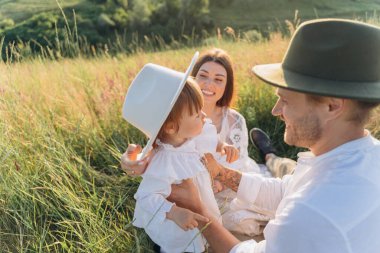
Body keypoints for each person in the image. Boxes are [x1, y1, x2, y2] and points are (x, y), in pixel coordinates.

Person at [166, 18, 380, 253]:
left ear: (332, 106)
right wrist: (224, 174)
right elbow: (287, 190)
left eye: (285, 100)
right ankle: (270, 155)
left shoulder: (310, 215)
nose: (275, 110)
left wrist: (199, 211)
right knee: (284, 168)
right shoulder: (364, 155)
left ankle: (270, 156)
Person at [122, 48, 297, 238]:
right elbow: (155, 159)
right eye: (203, 76)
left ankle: (270, 154)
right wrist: (132, 161)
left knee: (283, 189)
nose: (208, 84)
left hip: (227, 180)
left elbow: (236, 160)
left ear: (226, 86)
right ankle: (270, 156)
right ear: (193, 78)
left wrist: (220, 167)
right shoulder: (170, 121)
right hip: (202, 193)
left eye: (218, 79)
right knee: (243, 221)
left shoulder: (233, 120)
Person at [123, 58, 240, 252]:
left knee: (203, 237)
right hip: (179, 223)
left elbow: (211, 139)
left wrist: (223, 146)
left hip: (200, 207)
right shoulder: (163, 163)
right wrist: (174, 212)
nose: (204, 117)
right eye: (196, 115)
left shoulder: (190, 137)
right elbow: (146, 197)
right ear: (170, 127)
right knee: (183, 244)